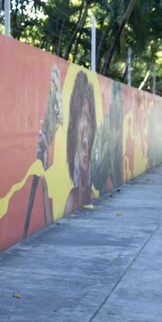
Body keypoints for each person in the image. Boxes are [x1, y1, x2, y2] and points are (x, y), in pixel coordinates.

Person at [64, 71, 96, 214]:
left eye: (88, 119)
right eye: (81, 118)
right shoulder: (72, 198)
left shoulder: (90, 194)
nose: (85, 127)